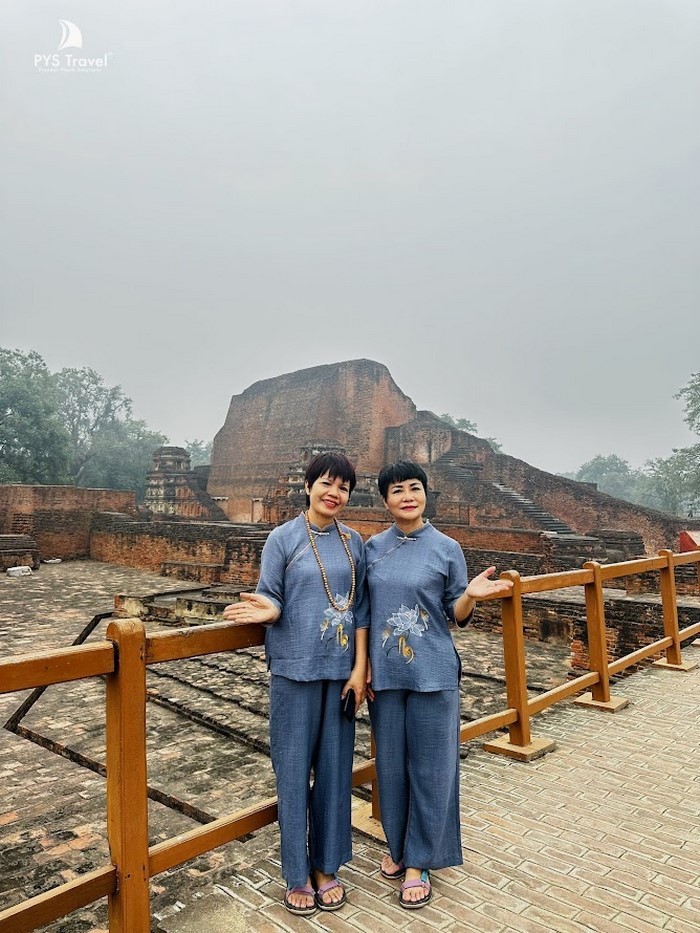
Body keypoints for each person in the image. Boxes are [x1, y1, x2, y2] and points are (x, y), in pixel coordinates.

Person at [223, 452, 369, 915]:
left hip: (340, 673)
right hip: (293, 670)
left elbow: (362, 608)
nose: (335, 493)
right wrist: (269, 607)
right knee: (291, 773)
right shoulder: (283, 538)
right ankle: (295, 871)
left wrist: (360, 670)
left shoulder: (354, 542)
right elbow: (270, 591)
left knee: (333, 773)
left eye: (343, 487)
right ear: (308, 486)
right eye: (327, 483)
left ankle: (327, 866)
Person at [366, 460, 513, 909]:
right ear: (385, 500)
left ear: (426, 494)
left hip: (433, 672)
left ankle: (419, 862)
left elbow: (456, 613)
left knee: (431, 769)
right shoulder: (372, 548)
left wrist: (470, 594)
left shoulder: (447, 548)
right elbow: (362, 613)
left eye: (414, 488)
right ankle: (399, 847)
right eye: (396, 491)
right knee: (390, 768)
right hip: (386, 675)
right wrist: (363, 665)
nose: (406, 496)